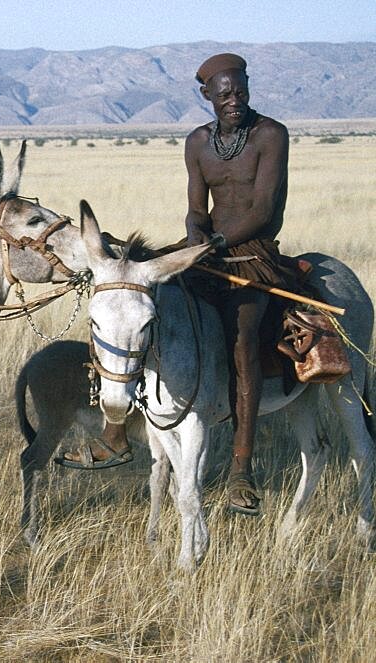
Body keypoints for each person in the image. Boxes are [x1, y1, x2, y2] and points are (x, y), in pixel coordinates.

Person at [61, 53, 294, 517]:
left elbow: (264, 208)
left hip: (253, 255)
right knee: (133, 308)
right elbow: (195, 205)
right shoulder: (197, 142)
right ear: (206, 95)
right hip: (203, 249)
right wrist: (195, 234)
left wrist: (219, 242)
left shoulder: (271, 134)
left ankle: (241, 470)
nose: (234, 101)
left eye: (240, 91)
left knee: (243, 338)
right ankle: (116, 430)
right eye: (224, 94)